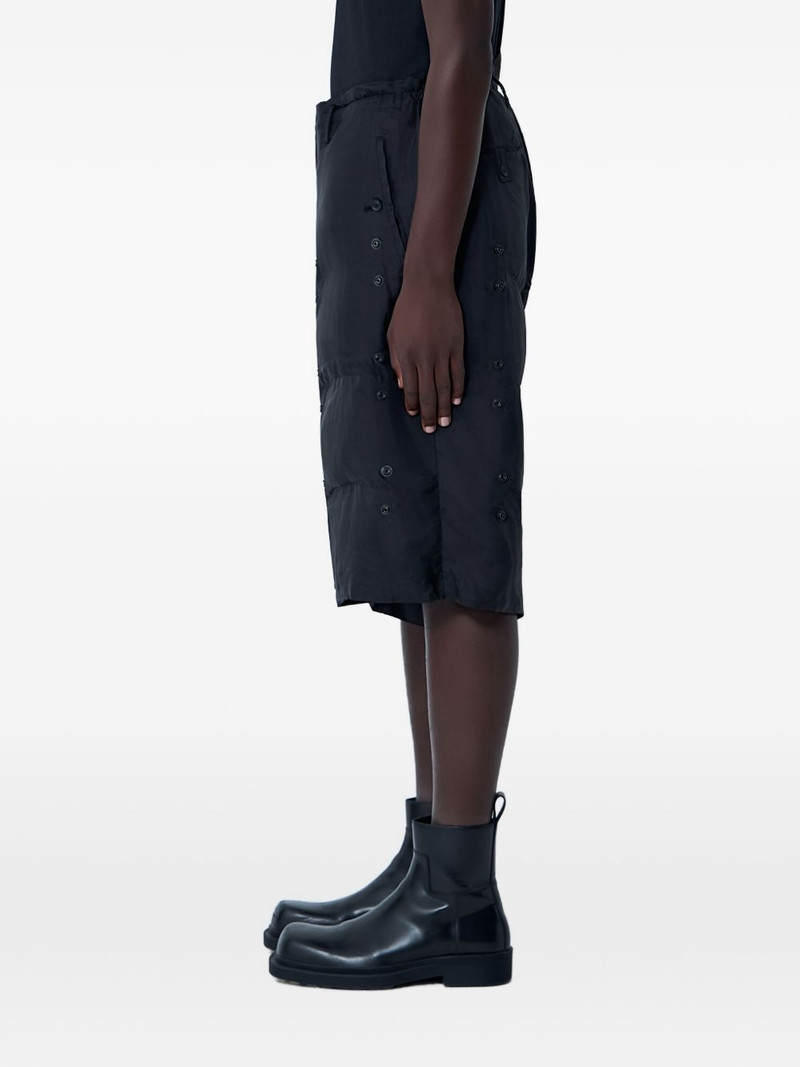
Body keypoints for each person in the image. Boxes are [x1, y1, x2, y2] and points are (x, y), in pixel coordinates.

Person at [266, 0, 536, 989]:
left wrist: (428, 275)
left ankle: (460, 894)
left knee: (460, 526)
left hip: (431, 201)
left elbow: (461, 52)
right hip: (390, 176)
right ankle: (431, 861)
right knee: (415, 533)